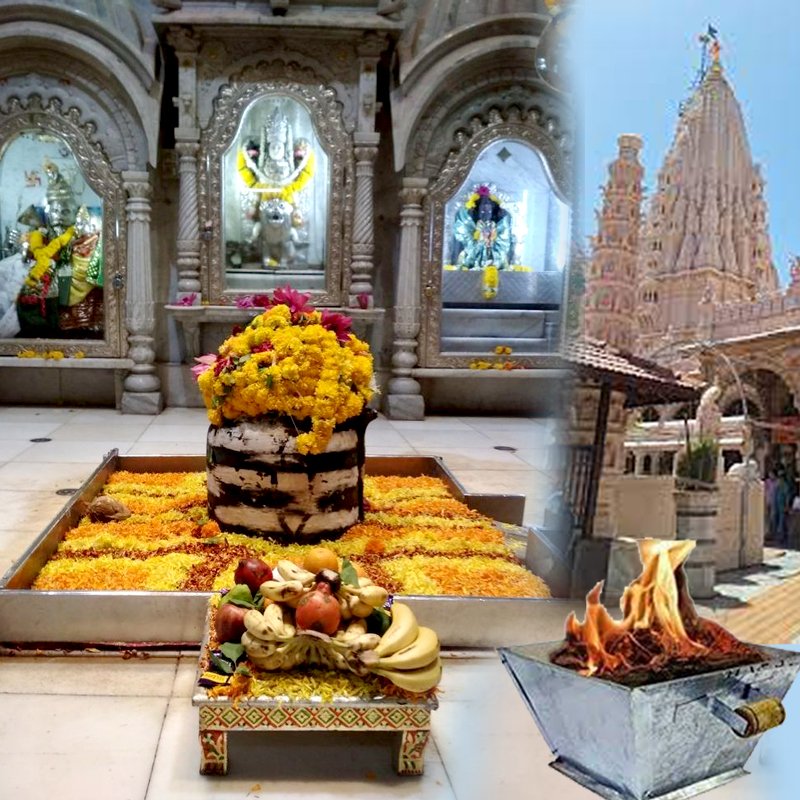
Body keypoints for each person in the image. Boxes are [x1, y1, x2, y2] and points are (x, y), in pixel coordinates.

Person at [452, 184, 513, 269]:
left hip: (494, 257)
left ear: (492, 212)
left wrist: (490, 240)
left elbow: (503, 243)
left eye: (489, 211)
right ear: (477, 211)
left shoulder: (495, 225)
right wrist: (480, 239)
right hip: (474, 254)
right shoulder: (473, 224)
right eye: (482, 211)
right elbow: (466, 242)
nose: (486, 213)